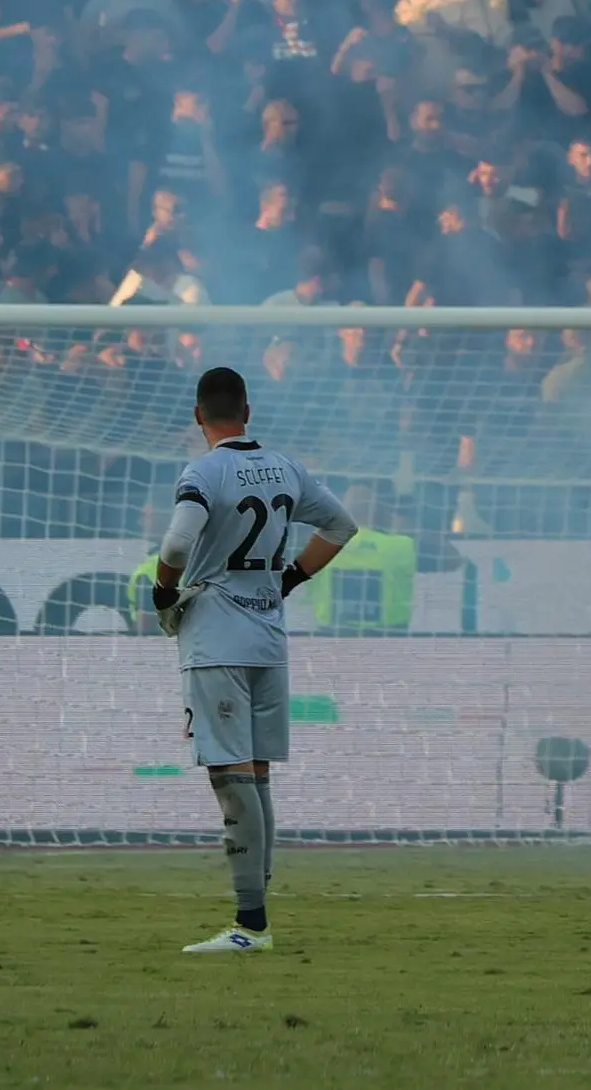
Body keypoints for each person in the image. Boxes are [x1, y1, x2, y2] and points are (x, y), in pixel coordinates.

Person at [152, 368, 358, 953]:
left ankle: (250, 925)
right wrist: (291, 576)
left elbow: (174, 545)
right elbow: (342, 525)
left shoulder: (203, 472)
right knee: (258, 774)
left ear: (199, 417)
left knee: (230, 775)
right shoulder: (286, 467)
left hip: (217, 638)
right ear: (248, 408)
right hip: (269, 636)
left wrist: (164, 592)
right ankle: (256, 914)